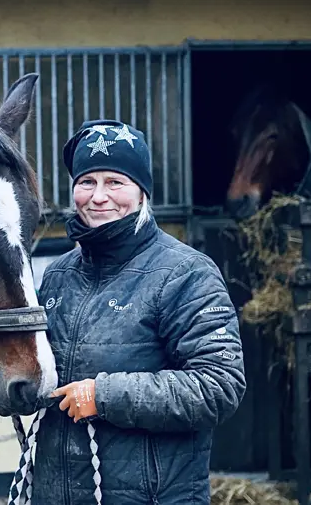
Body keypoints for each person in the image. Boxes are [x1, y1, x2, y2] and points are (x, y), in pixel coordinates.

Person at [31, 119, 247, 504]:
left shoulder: (186, 273)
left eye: (115, 182)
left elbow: (219, 385)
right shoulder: (57, 275)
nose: (99, 197)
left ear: (142, 192)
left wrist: (104, 396)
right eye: (87, 182)